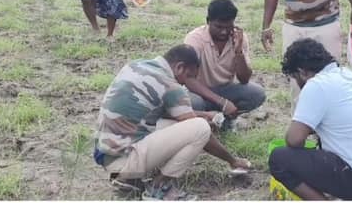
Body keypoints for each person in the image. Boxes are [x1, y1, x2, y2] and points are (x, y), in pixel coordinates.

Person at [94, 45, 252, 201]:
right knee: (201, 128)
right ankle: (160, 187)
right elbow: (201, 132)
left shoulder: (136, 65)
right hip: (126, 160)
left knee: (181, 122)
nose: (186, 83)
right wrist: (233, 161)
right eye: (189, 77)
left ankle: (126, 180)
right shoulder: (170, 85)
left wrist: (203, 114)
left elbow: (165, 114)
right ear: (180, 67)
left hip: (106, 154)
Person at [268, 38, 352, 200]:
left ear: (302, 72)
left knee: (279, 159)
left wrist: (301, 153)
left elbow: (294, 140)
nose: (298, 84)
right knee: (320, 147)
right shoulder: (347, 75)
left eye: (295, 78)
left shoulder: (316, 85)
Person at [183, 0, 266, 130]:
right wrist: (222, 102)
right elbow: (188, 79)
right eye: (219, 27)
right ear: (208, 21)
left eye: (228, 27)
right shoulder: (194, 39)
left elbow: (244, 79)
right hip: (198, 92)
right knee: (192, 103)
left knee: (257, 94)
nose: (223, 32)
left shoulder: (239, 38)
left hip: (225, 89)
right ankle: (204, 125)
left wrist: (239, 51)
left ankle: (226, 121)